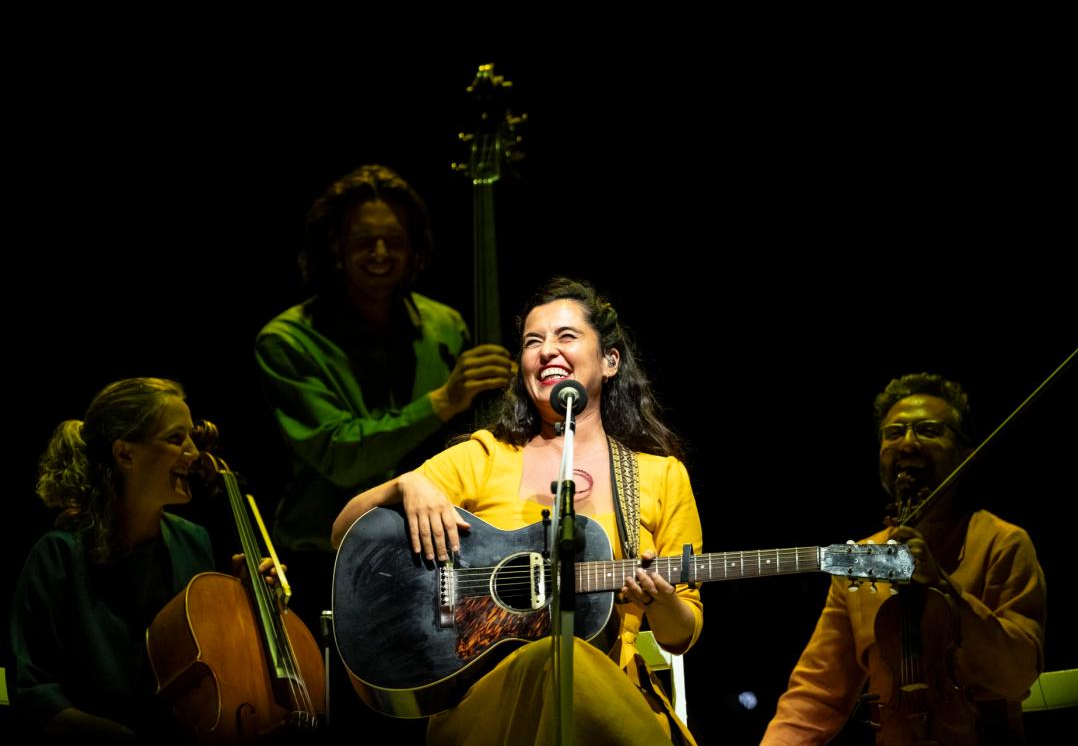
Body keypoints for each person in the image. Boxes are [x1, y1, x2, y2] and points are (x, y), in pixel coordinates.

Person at [331, 277, 704, 745]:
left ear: (610, 361)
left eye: (566, 336)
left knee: (566, 662)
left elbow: (680, 634)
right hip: (487, 702)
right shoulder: (484, 456)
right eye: (533, 341)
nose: (547, 350)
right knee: (554, 657)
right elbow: (343, 530)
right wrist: (405, 485)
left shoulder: (660, 476)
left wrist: (662, 600)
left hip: (607, 700)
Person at [254, 163, 516, 621]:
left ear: (415, 247)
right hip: (328, 557)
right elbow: (340, 455)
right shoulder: (286, 340)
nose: (380, 253)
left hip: (434, 555)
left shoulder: (444, 325)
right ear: (336, 246)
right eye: (363, 241)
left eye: (395, 241)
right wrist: (441, 402)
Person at [762, 373, 1046, 745]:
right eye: (894, 433)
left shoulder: (1002, 542)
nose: (908, 444)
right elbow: (816, 695)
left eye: (928, 430)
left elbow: (1018, 672)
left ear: (965, 455)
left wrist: (943, 586)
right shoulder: (861, 559)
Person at [8, 377, 282, 740]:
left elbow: (208, 667)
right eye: (175, 439)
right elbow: (30, 691)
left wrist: (242, 604)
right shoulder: (58, 554)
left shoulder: (193, 541)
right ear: (125, 454)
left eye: (191, 438)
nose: (196, 454)